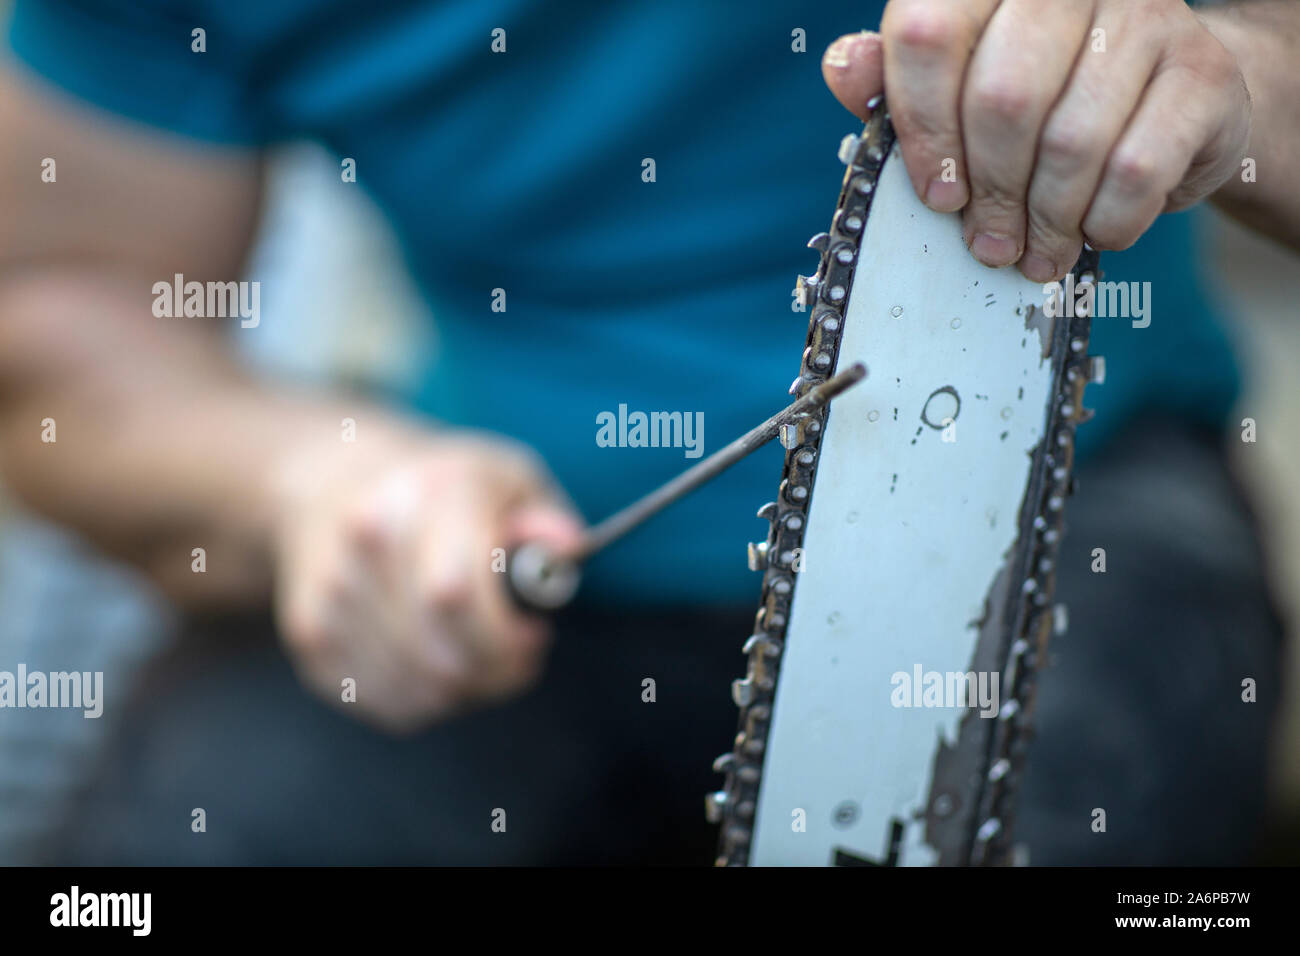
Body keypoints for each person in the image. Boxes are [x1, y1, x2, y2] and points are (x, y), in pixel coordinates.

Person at [0, 0, 1292, 864]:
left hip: (1077, 477)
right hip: (495, 529)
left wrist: (1232, 90)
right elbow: (69, 313)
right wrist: (303, 483)